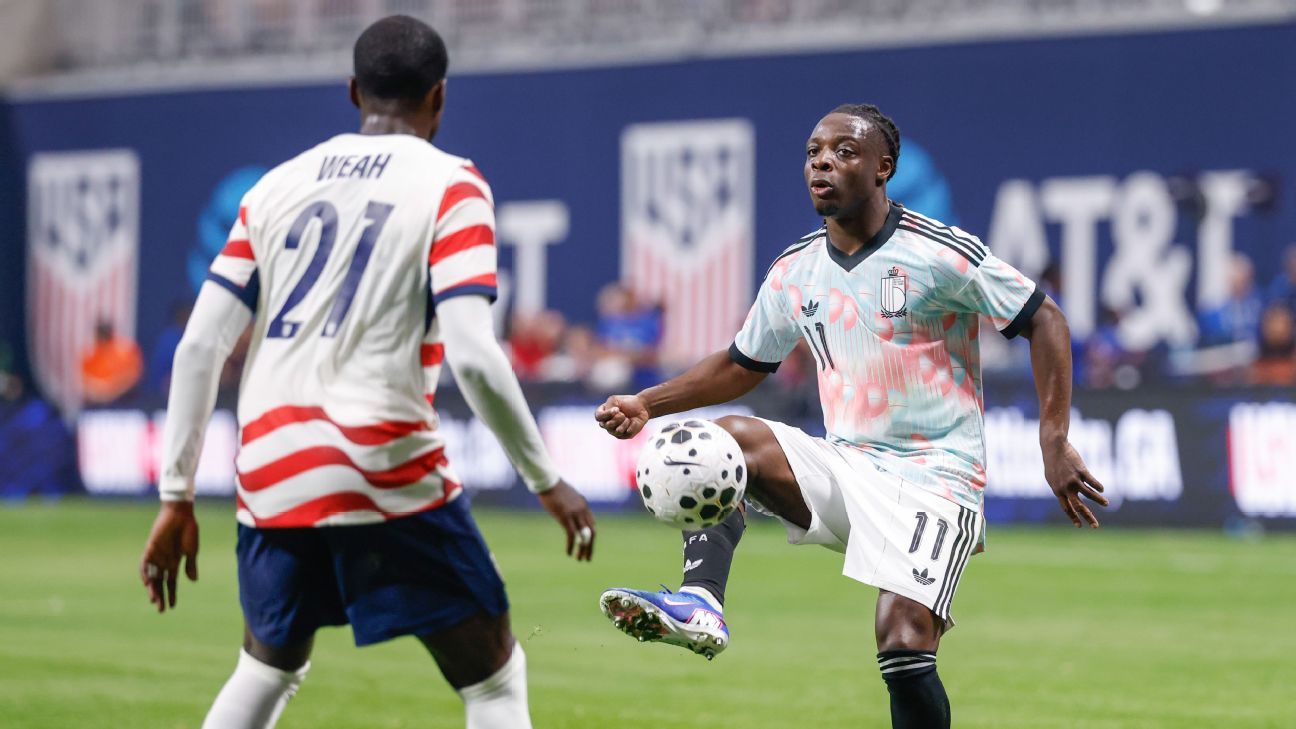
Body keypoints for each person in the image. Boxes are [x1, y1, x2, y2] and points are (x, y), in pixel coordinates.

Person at [138, 16, 596, 729]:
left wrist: (176, 496)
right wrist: (546, 479)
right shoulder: (452, 185)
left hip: (272, 467)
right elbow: (474, 354)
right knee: (493, 679)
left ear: (353, 91)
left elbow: (199, 346)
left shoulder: (273, 189)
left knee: (266, 667)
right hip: (380, 458)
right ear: (439, 97)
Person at [594, 104, 1106, 729]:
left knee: (903, 641)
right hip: (847, 465)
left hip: (937, 479)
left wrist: (1053, 438)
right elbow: (741, 364)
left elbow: (1044, 318)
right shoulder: (795, 271)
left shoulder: (936, 251)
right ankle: (701, 601)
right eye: (814, 152)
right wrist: (648, 404)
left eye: (844, 151)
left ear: (883, 168)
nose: (823, 162)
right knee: (721, 442)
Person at [80, 319, 144, 405]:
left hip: (123, 400)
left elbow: (132, 374)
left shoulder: (124, 350)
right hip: (97, 401)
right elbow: (86, 380)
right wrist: (99, 388)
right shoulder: (91, 353)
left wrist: (112, 388)